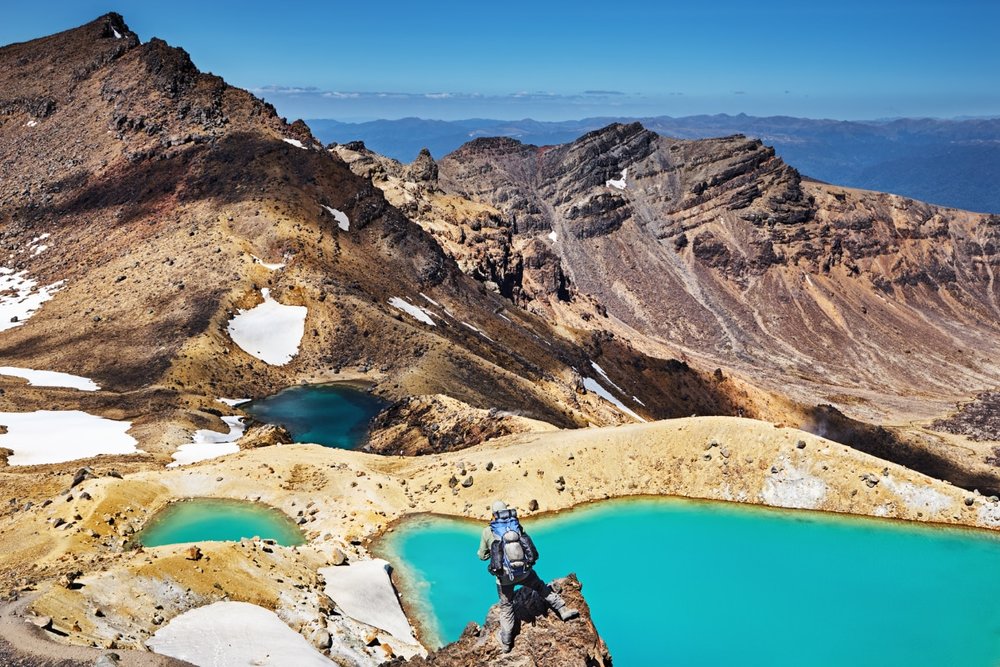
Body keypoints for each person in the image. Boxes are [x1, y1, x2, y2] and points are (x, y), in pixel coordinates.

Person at [477, 500, 578, 653]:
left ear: (493, 514)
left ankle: (506, 642)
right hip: (524, 572)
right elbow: (526, 544)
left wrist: (490, 554)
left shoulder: (487, 531)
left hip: (505, 578)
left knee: (506, 606)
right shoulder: (516, 525)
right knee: (541, 588)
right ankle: (563, 610)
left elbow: (482, 555)